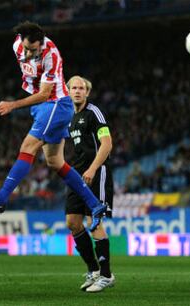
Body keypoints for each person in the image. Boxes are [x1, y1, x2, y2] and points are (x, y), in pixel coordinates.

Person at [0, 21, 106, 232]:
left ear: (41, 44)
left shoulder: (51, 54)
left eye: (33, 50)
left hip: (54, 104)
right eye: (26, 48)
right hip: (42, 107)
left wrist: (12, 105)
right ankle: (95, 205)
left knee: (27, 147)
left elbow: (45, 94)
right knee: (55, 162)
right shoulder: (18, 45)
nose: (27, 53)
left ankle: (0, 198)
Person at [66, 76, 115, 292]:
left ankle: (106, 275)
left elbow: (107, 144)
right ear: (67, 91)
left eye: (81, 88)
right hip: (77, 177)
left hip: (95, 173)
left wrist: (93, 168)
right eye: (74, 88)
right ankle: (94, 270)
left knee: (93, 221)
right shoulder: (70, 117)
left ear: (87, 92)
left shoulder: (94, 113)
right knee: (72, 222)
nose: (77, 91)